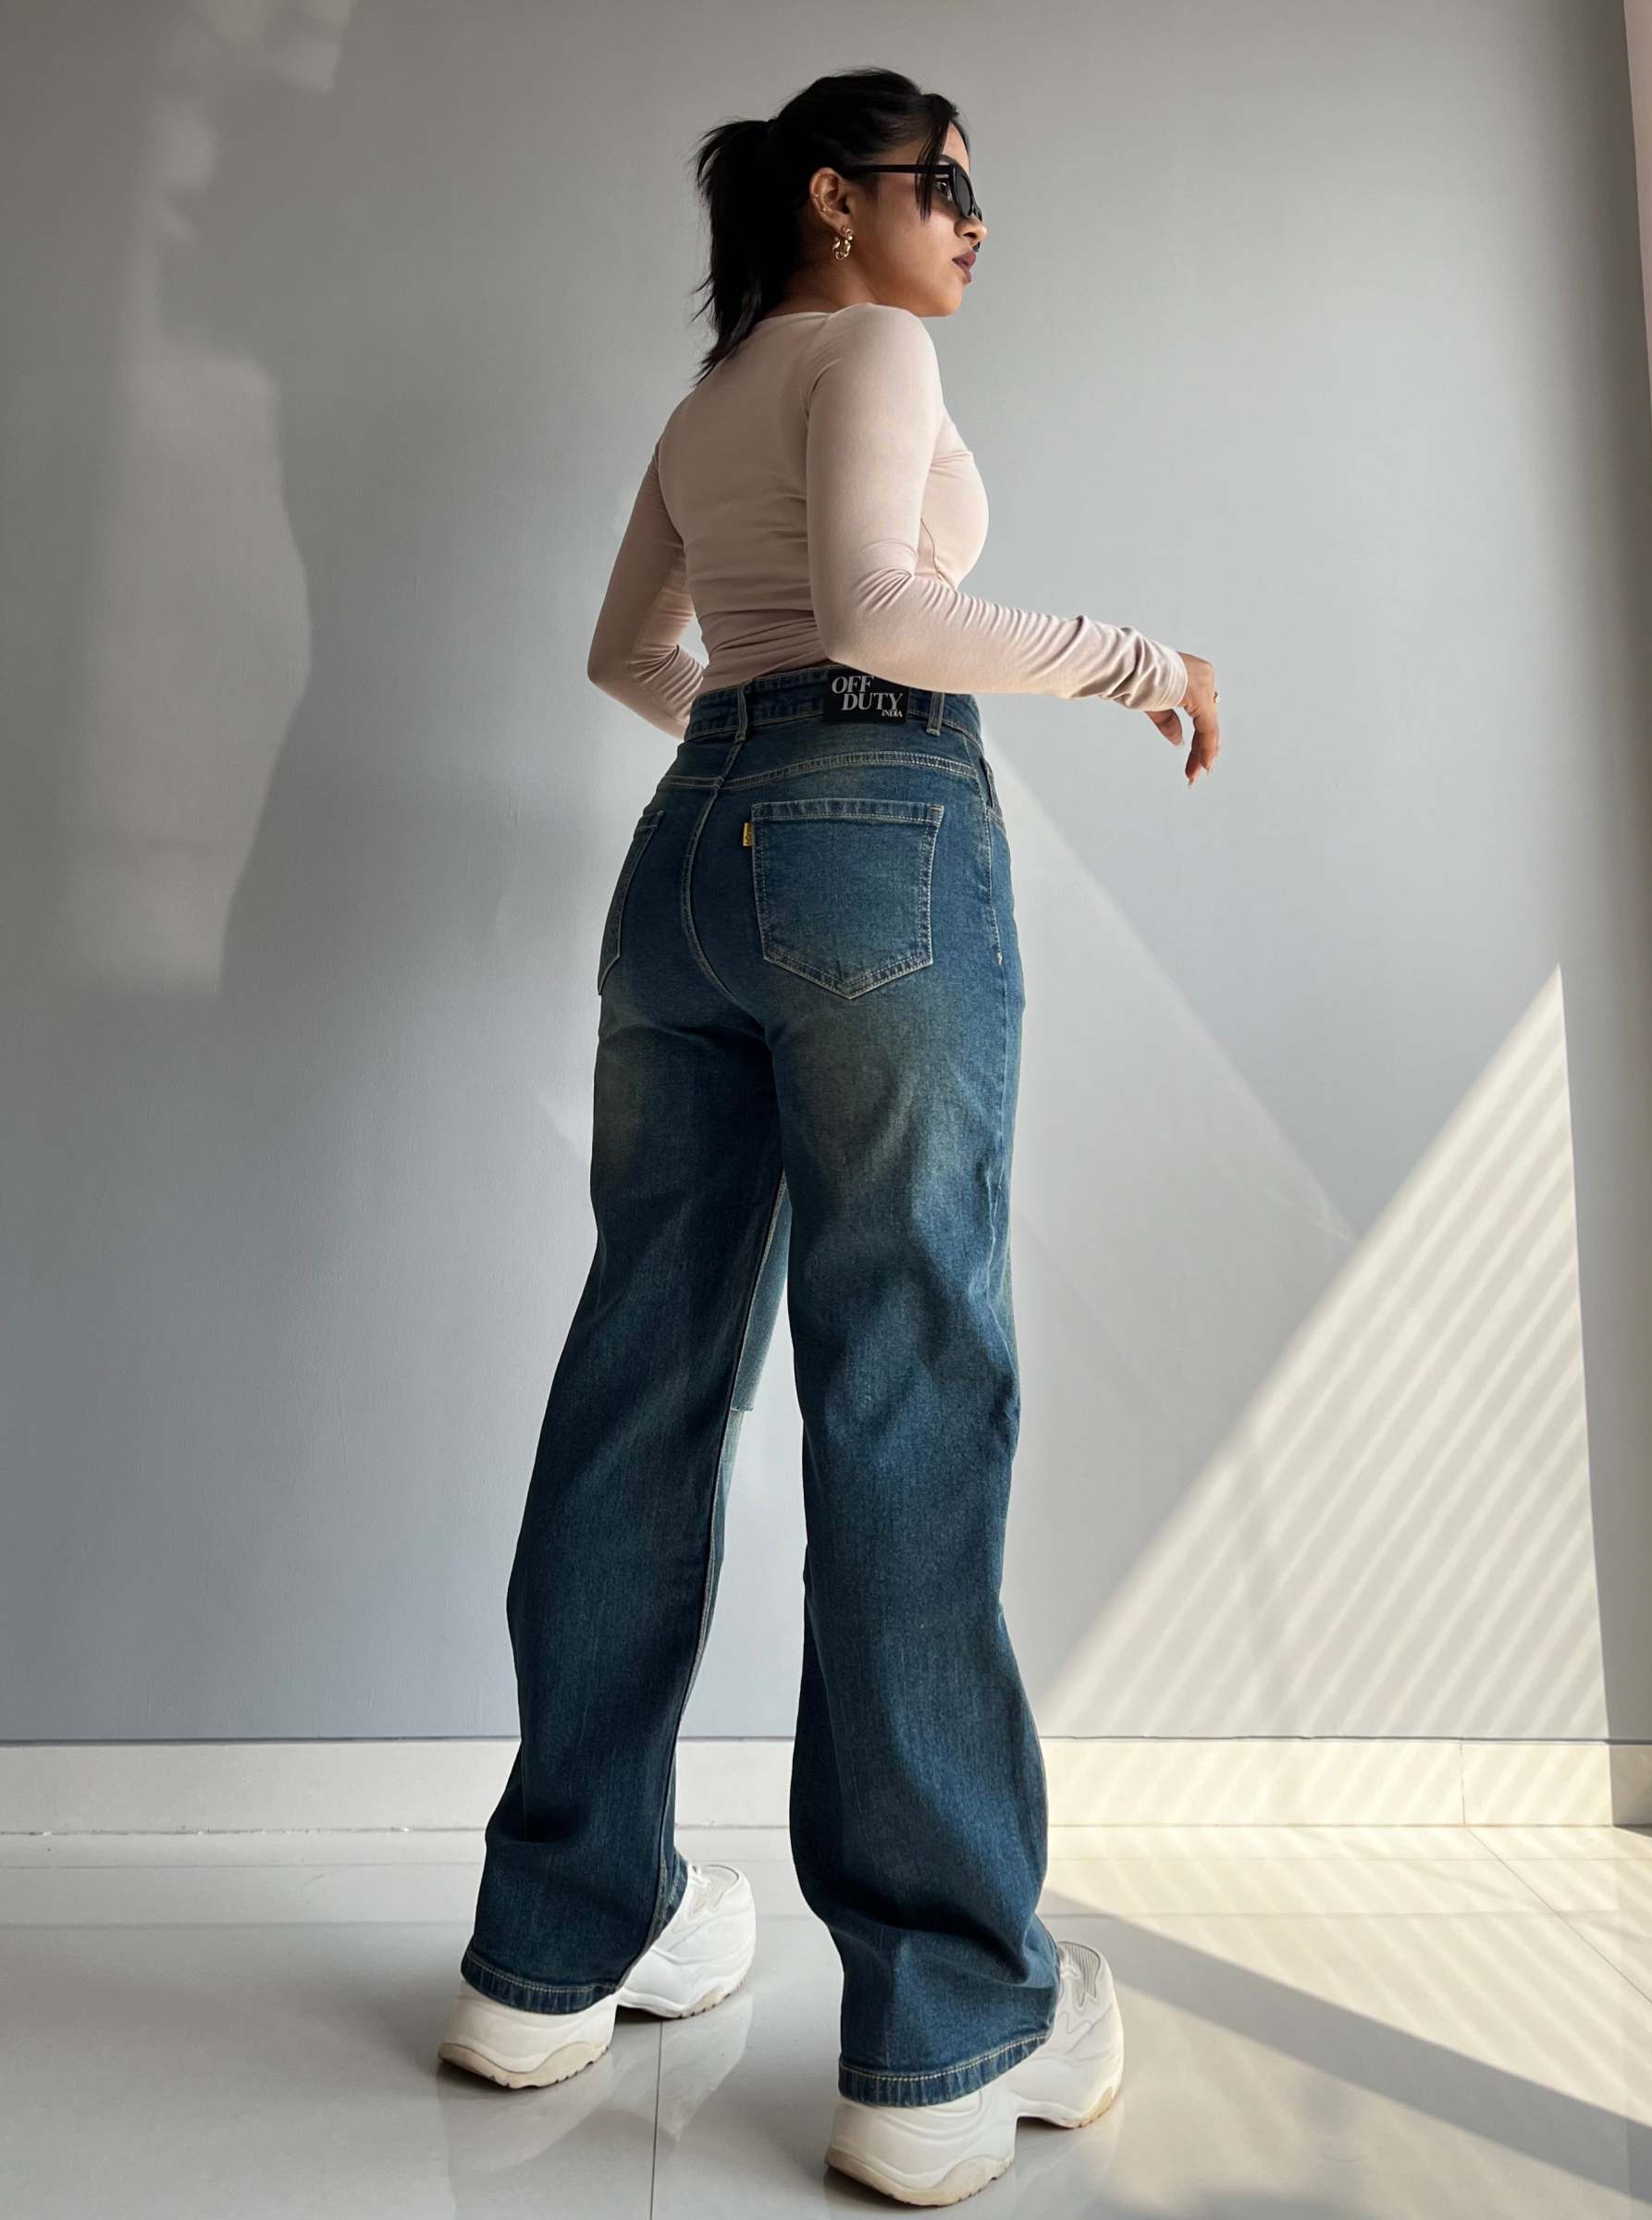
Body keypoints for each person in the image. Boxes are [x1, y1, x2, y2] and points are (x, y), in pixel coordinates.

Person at [437, 65, 1220, 2209]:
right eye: (939, 182)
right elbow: (880, 611)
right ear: (832, 199)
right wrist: (1138, 658)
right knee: (904, 1387)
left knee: (641, 1377)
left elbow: (632, 654)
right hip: (878, 834)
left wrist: (752, 752)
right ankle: (947, 2027)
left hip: (686, 857)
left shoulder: (708, 404)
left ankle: (552, 1943)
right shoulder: (867, 347)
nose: (971, 218)